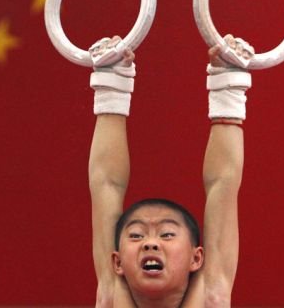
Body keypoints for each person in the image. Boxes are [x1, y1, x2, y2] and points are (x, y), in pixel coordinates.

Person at [88, 34, 254, 307]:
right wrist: (228, 87)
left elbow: (224, 184)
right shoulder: (111, 298)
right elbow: (104, 183)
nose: (150, 244)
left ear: (197, 258)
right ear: (116, 261)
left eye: (166, 234)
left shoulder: (211, 297)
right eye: (136, 235)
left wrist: (112, 85)